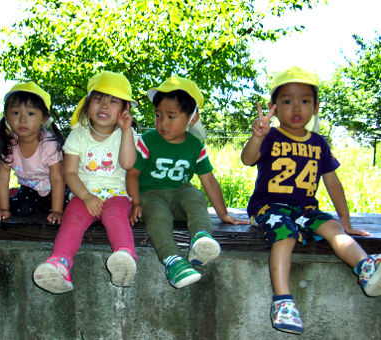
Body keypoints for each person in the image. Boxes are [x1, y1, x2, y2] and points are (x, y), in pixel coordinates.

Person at [241, 66, 381, 335]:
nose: (297, 107)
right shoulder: (270, 136)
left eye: (305, 101)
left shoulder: (319, 142)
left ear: (316, 107)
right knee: (286, 234)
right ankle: (282, 301)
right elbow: (247, 160)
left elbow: (332, 182)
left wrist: (346, 221)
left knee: (332, 229)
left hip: (305, 208)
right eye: (287, 101)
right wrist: (257, 135)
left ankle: (365, 267)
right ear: (274, 107)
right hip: (269, 207)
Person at [126, 76, 248, 289]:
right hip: (151, 195)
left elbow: (208, 180)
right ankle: (173, 260)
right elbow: (133, 174)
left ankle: (201, 240)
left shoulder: (195, 146)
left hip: (179, 194)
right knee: (159, 215)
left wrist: (223, 214)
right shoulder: (147, 141)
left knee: (195, 196)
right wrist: (135, 202)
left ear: (191, 118)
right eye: (158, 115)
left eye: (171, 116)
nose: (162, 123)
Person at [33, 71, 138, 293]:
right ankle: (59, 263)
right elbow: (70, 173)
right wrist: (86, 196)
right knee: (72, 218)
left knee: (115, 214)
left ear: (124, 110)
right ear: (87, 104)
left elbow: (128, 163)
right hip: (84, 194)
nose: (104, 106)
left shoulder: (125, 135)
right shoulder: (79, 135)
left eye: (113, 101)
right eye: (98, 99)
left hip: (117, 195)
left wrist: (127, 130)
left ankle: (125, 256)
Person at [0, 82, 65, 223]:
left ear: (44, 119)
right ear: (5, 115)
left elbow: (57, 179)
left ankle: (52, 208)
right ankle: (15, 196)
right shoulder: (10, 144)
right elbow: (2, 177)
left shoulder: (49, 145)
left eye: (30, 113)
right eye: (16, 113)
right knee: (21, 209)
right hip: (29, 190)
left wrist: (57, 211)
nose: (22, 119)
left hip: (54, 190)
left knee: (68, 206)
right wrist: (3, 209)